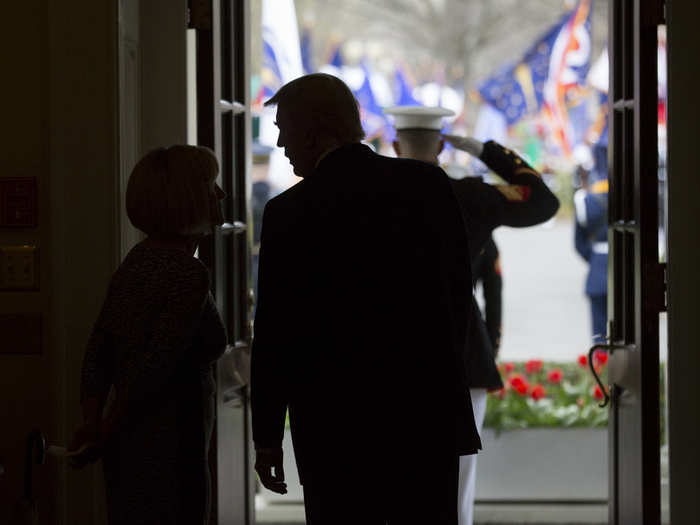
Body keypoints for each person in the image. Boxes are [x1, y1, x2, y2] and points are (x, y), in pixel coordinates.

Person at [251, 73, 481, 525]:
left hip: (334, 428)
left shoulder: (288, 214)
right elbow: (459, 299)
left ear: (316, 130)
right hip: (424, 418)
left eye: (284, 128)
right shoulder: (429, 188)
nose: (279, 143)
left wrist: (267, 438)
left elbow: (275, 335)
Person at [385, 105, 559, 525]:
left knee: (392, 475)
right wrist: (484, 149)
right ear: (443, 145)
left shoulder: (376, 195)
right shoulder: (473, 196)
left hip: (390, 351)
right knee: (458, 481)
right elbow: (543, 201)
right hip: (462, 350)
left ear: (394, 144)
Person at [68, 145, 228, 525]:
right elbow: (154, 364)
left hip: (131, 443)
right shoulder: (187, 273)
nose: (220, 194)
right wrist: (104, 430)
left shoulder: (136, 260)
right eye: (211, 185)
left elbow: (98, 350)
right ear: (186, 198)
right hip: (170, 444)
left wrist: (94, 422)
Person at [574, 143, 608, 343]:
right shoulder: (631, 197)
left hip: (597, 271)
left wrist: (596, 259)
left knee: (600, 338)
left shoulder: (586, 201)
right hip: (627, 273)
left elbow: (579, 244)